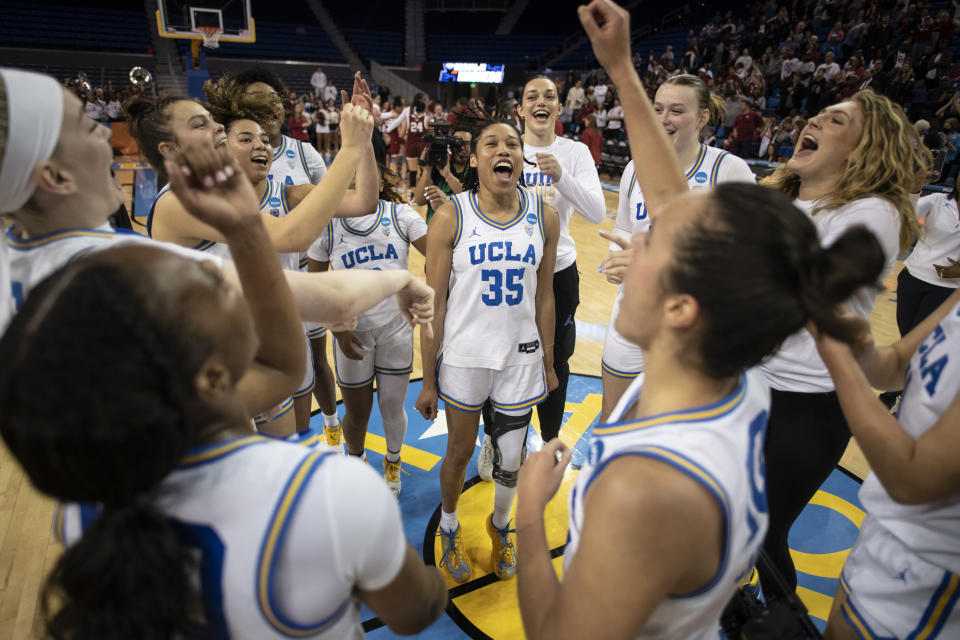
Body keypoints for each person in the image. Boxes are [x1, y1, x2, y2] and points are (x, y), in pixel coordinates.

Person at [515, 3, 885, 638]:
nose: (633, 248)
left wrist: (527, 517)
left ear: (684, 308)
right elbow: (671, 199)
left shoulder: (647, 491)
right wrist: (622, 69)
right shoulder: (742, 387)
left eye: (652, 249)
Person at [0, 136, 448, 638]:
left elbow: (290, 348)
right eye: (216, 291)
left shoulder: (84, 512)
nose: (242, 295)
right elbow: (416, 611)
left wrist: (247, 230)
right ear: (213, 378)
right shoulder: (328, 490)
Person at [758, 90, 930, 596]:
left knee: (764, 537)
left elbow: (807, 290)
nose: (813, 119)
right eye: (817, 114)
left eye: (835, 120)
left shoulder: (873, 212)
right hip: (748, 386)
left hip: (809, 404)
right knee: (720, 524)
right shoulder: (779, 196)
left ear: (863, 150)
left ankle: (781, 629)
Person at [131, 91, 376, 437]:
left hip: (255, 348)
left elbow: (361, 202)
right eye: (200, 124)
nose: (216, 127)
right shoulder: (179, 201)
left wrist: (363, 144)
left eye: (213, 120)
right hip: (208, 369)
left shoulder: (223, 193)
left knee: (287, 454)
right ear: (169, 150)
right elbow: (293, 236)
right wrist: (350, 147)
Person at [415, 118, 560, 584]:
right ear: (473, 159)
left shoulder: (544, 215)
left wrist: (550, 361)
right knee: (458, 452)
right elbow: (432, 302)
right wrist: (429, 378)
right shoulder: (451, 216)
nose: (505, 150)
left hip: (520, 358)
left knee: (511, 459)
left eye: (513, 144)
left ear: (522, 158)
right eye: (492, 144)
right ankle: (451, 527)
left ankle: (500, 528)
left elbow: (545, 296)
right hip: (465, 358)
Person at [599, 73, 755, 420]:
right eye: (658, 109)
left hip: (693, 328)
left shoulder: (729, 171)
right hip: (634, 312)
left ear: (702, 118)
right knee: (616, 415)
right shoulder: (635, 167)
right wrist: (616, 260)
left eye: (676, 110)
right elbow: (624, 226)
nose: (664, 118)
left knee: (674, 429)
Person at [812, 286, 960, 639]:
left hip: (932, 566)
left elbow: (914, 480)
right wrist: (860, 349)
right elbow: (893, 365)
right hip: (886, 528)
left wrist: (835, 356)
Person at [307, 165, 427, 495]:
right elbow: (315, 287)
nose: (360, 176)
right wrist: (339, 331)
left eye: (367, 169)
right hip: (352, 332)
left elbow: (442, 253)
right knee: (357, 413)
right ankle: (357, 463)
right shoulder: (329, 225)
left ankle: (392, 461)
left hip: (395, 328)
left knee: (391, 406)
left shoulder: (401, 215)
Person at [515, 75, 605, 449]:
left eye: (549, 96)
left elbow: (598, 213)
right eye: (532, 96)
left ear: (558, 107)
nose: (541, 101)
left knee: (557, 362)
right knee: (506, 359)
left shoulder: (575, 152)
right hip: (511, 272)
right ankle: (502, 439)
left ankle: (550, 440)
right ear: (520, 110)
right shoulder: (506, 147)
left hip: (559, 272)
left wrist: (561, 176)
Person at [897, 183, 960, 337]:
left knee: (919, 339)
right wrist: (914, 190)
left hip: (949, 289)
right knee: (906, 335)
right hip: (913, 277)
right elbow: (905, 216)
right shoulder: (938, 200)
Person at [413, 126, 472, 223]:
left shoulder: (476, 170)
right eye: (457, 143)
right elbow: (419, 201)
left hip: (463, 230)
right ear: (450, 145)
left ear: (472, 146)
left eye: (465, 144)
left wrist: (448, 176)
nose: (461, 148)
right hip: (436, 229)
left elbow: (471, 200)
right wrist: (427, 170)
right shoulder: (438, 167)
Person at [404, 99, 428, 192]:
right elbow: (431, 135)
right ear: (424, 109)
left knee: (412, 172)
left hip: (411, 145)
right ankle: (423, 192)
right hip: (423, 146)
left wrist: (409, 139)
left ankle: (412, 196)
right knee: (423, 169)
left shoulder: (408, 118)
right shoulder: (427, 118)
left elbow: (401, 134)